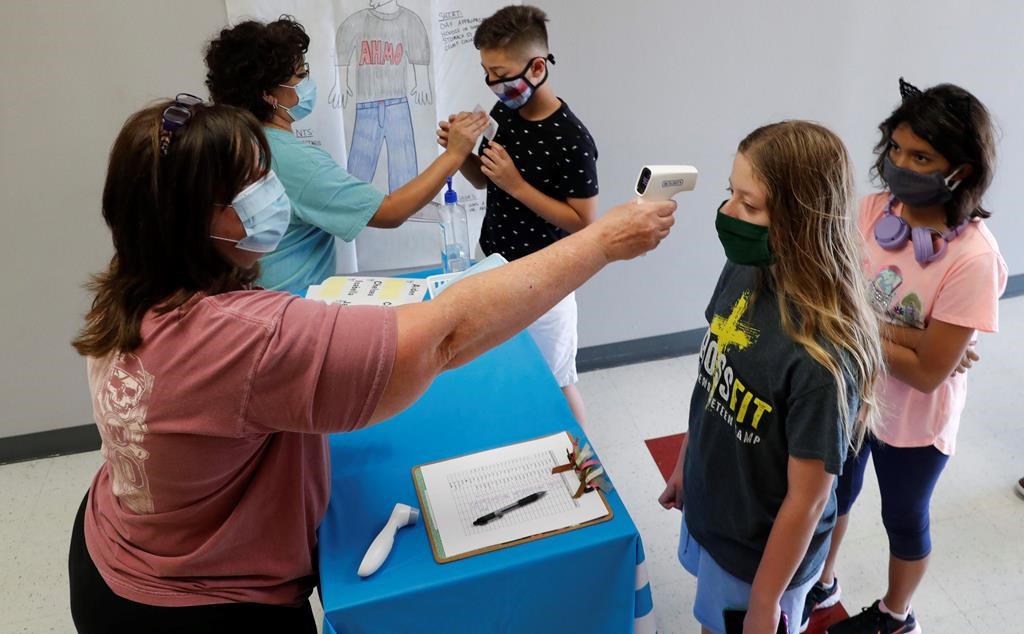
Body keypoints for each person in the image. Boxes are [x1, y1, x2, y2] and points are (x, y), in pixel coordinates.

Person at [67, 98, 675, 633]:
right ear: (201, 219)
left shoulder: (133, 285)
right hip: (195, 603)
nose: (272, 190)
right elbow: (442, 337)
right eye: (254, 182)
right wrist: (602, 243)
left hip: (115, 544)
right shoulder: (241, 338)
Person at [658, 121, 885, 634]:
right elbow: (712, 378)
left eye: (749, 204)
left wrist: (765, 603)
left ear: (800, 222)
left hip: (762, 559)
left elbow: (807, 501)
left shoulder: (821, 357)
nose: (727, 213)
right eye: (729, 194)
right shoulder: (746, 270)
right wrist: (686, 462)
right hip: (718, 511)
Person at [813, 79, 1007, 634]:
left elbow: (926, 375)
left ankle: (896, 616)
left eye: (921, 156)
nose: (900, 165)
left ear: (961, 170)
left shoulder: (973, 258)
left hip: (914, 422)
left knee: (903, 515)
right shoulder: (873, 210)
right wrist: (914, 337)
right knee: (834, 496)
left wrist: (861, 326)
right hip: (850, 392)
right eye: (895, 149)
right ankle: (822, 581)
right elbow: (830, 293)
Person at [204, 16, 490, 295]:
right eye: (300, 76)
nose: (307, 83)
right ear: (269, 94)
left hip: (242, 304)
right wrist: (454, 155)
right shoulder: (290, 160)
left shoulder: (228, 142)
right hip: (286, 312)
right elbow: (390, 212)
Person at [437, 5, 598, 424]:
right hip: (492, 264)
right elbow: (484, 181)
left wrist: (517, 186)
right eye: (486, 72)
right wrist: (459, 154)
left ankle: (583, 470)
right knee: (499, 370)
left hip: (546, 279)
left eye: (501, 72)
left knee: (558, 381)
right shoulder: (506, 114)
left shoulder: (572, 138)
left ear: (538, 67)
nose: (493, 83)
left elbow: (584, 224)